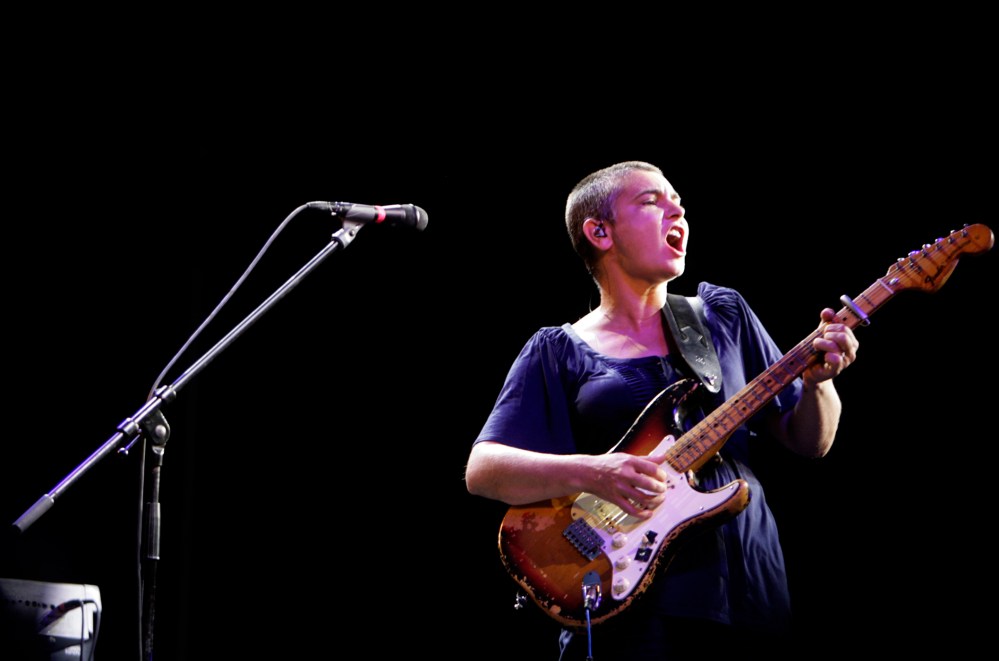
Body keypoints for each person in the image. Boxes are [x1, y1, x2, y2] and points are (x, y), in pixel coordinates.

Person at [464, 160, 859, 660]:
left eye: (679, 204)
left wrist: (819, 383)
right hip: (629, 603)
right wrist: (596, 472)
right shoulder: (557, 350)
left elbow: (811, 442)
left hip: (751, 589)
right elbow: (484, 470)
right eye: (652, 201)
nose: (678, 212)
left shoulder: (722, 315)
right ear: (600, 232)